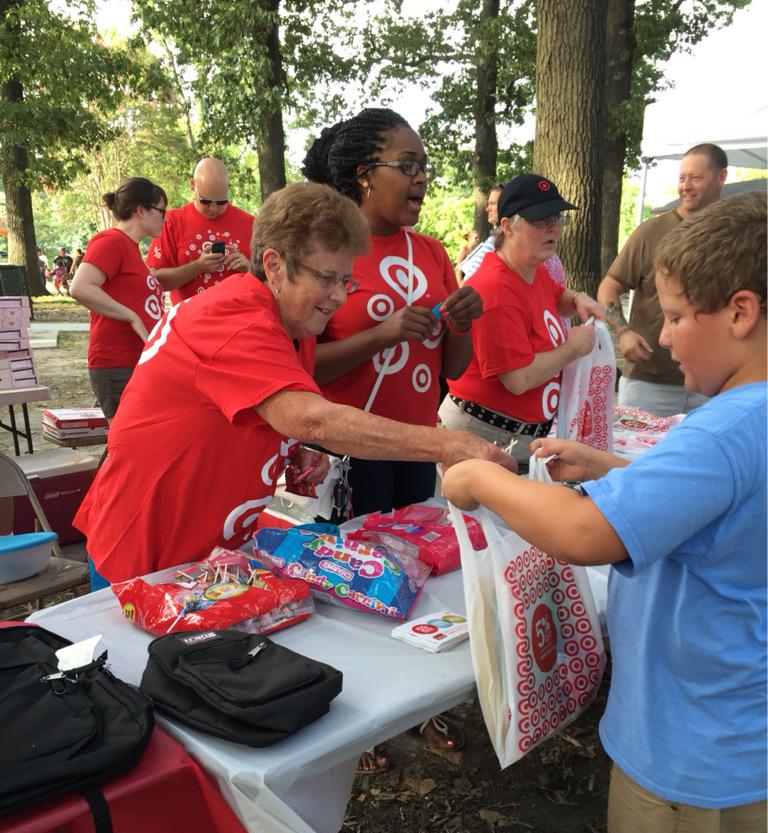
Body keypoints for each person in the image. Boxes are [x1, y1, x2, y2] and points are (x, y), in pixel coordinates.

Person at [443, 191, 767, 833]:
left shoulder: (729, 429)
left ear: (741, 312)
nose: (660, 339)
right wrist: (619, 468)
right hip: (750, 735)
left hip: (689, 756)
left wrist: (482, 479)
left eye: (676, 315)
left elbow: (586, 535)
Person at [74, 182, 515, 590]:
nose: (340, 296)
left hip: (204, 554)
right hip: (144, 554)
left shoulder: (293, 323)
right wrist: (447, 445)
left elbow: (243, 409)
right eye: (326, 277)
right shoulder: (235, 318)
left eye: (346, 279)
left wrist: (287, 448)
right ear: (274, 265)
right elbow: (311, 419)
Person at [303, 108, 483, 763]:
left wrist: (462, 321)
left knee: (415, 579)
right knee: (348, 588)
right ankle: (356, 710)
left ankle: (413, 701)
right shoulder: (326, 250)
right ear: (362, 175)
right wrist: (380, 333)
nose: (421, 179)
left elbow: (455, 372)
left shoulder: (433, 252)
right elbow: (301, 369)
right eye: (406, 166)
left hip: (415, 447)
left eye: (424, 167)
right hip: (344, 457)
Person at [438, 174, 603, 468]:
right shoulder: (495, 287)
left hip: (512, 438)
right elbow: (517, 379)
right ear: (507, 227)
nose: (553, 228)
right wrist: (573, 349)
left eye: (557, 218)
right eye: (540, 221)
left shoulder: (530, 268)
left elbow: (555, 295)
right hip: (486, 438)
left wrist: (576, 298)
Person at [597, 142, 728, 417]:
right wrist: (623, 332)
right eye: (682, 178)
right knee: (640, 459)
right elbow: (609, 287)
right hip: (650, 382)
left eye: (696, 178)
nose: (686, 186)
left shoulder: (731, 235)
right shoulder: (651, 233)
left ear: (721, 177)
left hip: (713, 381)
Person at [70, 177, 167, 420]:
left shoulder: (132, 248)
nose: (165, 218)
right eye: (161, 210)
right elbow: (80, 287)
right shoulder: (111, 241)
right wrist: (131, 316)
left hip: (136, 361)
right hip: (117, 363)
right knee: (132, 447)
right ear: (140, 210)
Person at [147, 157, 253, 306]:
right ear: (193, 185)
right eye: (206, 201)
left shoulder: (250, 223)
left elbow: (271, 280)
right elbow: (156, 280)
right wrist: (197, 267)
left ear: (228, 188)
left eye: (222, 201)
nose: (214, 208)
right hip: (190, 322)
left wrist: (249, 269)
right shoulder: (171, 222)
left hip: (239, 319)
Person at [459, 184, 503, 282]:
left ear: (505, 206)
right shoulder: (496, 240)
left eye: (492, 203)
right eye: (488, 204)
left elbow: (469, 280)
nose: (487, 209)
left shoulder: (497, 241)